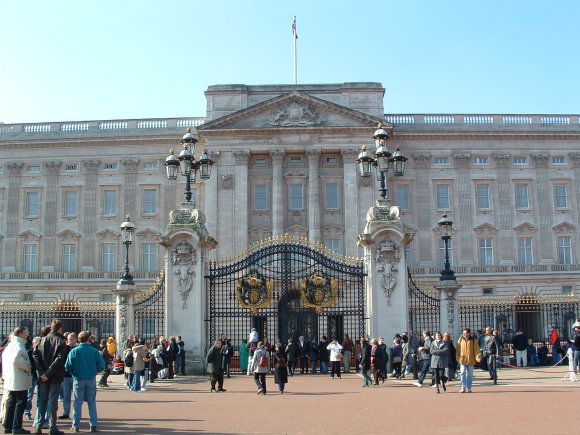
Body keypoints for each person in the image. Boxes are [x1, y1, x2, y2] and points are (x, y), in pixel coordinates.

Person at [64, 330, 105, 433]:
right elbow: (102, 365)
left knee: (77, 403)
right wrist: (96, 372)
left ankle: (75, 425)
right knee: (92, 402)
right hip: (91, 378)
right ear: (88, 339)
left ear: (78, 339)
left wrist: (74, 373)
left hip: (78, 379)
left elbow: (67, 367)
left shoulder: (74, 351)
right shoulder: (94, 351)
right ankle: (93, 425)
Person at [33, 318, 68, 435]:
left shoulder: (41, 340)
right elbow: (59, 360)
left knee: (42, 401)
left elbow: (35, 357)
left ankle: (38, 426)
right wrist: (48, 374)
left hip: (43, 376)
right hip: (55, 376)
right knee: (53, 402)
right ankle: (52, 427)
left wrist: (42, 373)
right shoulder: (61, 341)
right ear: (59, 328)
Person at [2, 326, 32, 435]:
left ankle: (7, 426)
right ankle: (16, 427)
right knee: (20, 403)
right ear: (20, 334)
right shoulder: (18, 345)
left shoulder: (10, 345)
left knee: (11, 403)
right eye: (25, 333)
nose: (26, 335)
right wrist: (28, 366)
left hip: (11, 378)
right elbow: (17, 360)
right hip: (19, 378)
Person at [59, 332, 78, 420]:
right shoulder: (65, 349)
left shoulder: (77, 349)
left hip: (75, 376)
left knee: (76, 395)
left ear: (75, 340)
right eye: (68, 339)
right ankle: (66, 412)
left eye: (71, 339)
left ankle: (75, 413)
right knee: (66, 395)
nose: (69, 341)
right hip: (66, 376)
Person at [456, 328, 481, 393]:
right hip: (463, 359)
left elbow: (476, 349)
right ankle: (463, 387)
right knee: (462, 372)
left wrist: (478, 357)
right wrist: (458, 358)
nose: (464, 334)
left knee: (470, 374)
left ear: (469, 333)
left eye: (466, 333)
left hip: (471, 359)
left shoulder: (473, 340)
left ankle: (469, 387)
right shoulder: (460, 340)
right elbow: (458, 350)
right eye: (463, 333)